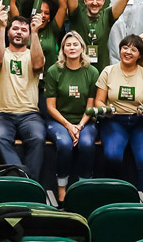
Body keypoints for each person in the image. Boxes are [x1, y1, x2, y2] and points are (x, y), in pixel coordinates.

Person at [93, 3, 143, 199]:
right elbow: (98, 101)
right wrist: (106, 109)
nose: (128, 52)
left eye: (133, 50)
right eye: (124, 48)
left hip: (141, 123)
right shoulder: (108, 71)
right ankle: (114, 198)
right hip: (115, 122)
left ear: (140, 54)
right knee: (112, 156)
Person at [0, 11, 47, 179]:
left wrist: (36, 32)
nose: (19, 32)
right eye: (15, 28)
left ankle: (30, 184)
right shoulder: (0, 51)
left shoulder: (33, 53)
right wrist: (0, 27)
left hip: (29, 115)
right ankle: (23, 179)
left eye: (24, 29)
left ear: (28, 34)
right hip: (1, 114)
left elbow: (38, 65)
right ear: (9, 32)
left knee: (37, 138)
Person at [43, 29, 100, 200]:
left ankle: (84, 186)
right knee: (65, 144)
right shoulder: (54, 71)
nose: (72, 48)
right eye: (68, 45)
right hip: (59, 121)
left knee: (87, 144)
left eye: (75, 44)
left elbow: (91, 106)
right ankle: (62, 189)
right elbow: (50, 107)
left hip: (85, 121)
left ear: (82, 48)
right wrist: (69, 126)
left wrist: (79, 126)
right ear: (63, 49)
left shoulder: (92, 72)